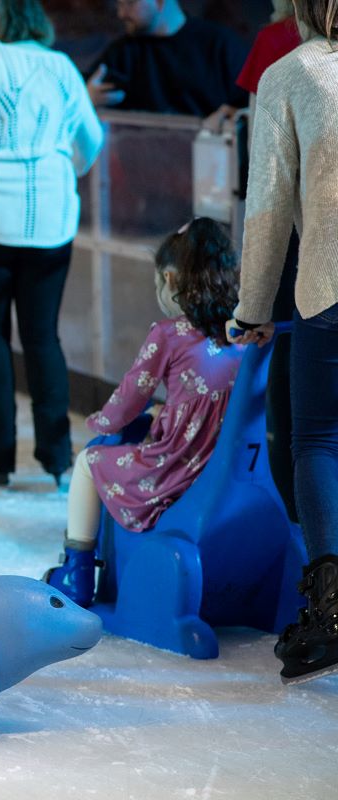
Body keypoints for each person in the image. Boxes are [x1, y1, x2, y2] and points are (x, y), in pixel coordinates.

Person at [0, 0, 103, 488]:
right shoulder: (62, 67)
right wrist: (62, 171)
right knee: (42, 335)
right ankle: (56, 457)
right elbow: (92, 138)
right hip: (53, 219)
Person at [45, 218, 245, 606]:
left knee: (89, 463)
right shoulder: (242, 336)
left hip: (176, 465)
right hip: (227, 463)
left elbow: (128, 400)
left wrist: (100, 422)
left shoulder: (169, 334)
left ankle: (77, 570)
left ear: (170, 280)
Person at [226, 0, 338, 686]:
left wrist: (251, 305)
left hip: (329, 288)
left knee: (318, 441)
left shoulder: (294, 74)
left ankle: (329, 614)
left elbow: (267, 206)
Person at [233, 0, 303, 522]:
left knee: (301, 417)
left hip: (304, 244)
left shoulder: (279, 48)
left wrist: (251, 304)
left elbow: (267, 176)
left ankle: (299, 541)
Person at [86, 0, 249, 115]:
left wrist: (231, 116)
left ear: (159, 2)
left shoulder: (220, 45)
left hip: (206, 157)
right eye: (119, 3)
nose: (121, 14)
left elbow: (250, 106)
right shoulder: (122, 52)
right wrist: (87, 98)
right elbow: (84, 90)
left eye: (130, 3)